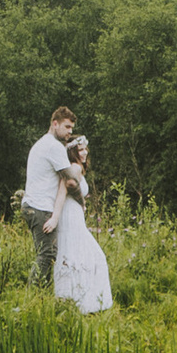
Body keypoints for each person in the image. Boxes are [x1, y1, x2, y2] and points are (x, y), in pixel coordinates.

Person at [52, 135, 114, 315]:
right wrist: (80, 201)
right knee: (86, 257)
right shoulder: (74, 167)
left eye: (85, 149)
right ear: (73, 152)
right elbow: (67, 186)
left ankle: (81, 302)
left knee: (80, 256)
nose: (85, 152)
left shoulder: (75, 168)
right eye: (80, 150)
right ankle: (82, 303)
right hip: (70, 215)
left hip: (74, 215)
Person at [21, 104, 80, 287]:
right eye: (67, 127)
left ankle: (41, 296)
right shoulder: (54, 147)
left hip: (32, 205)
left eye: (72, 128)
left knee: (46, 254)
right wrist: (81, 197)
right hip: (41, 207)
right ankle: (31, 296)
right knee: (46, 254)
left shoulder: (42, 143)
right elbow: (69, 178)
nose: (70, 132)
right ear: (55, 124)